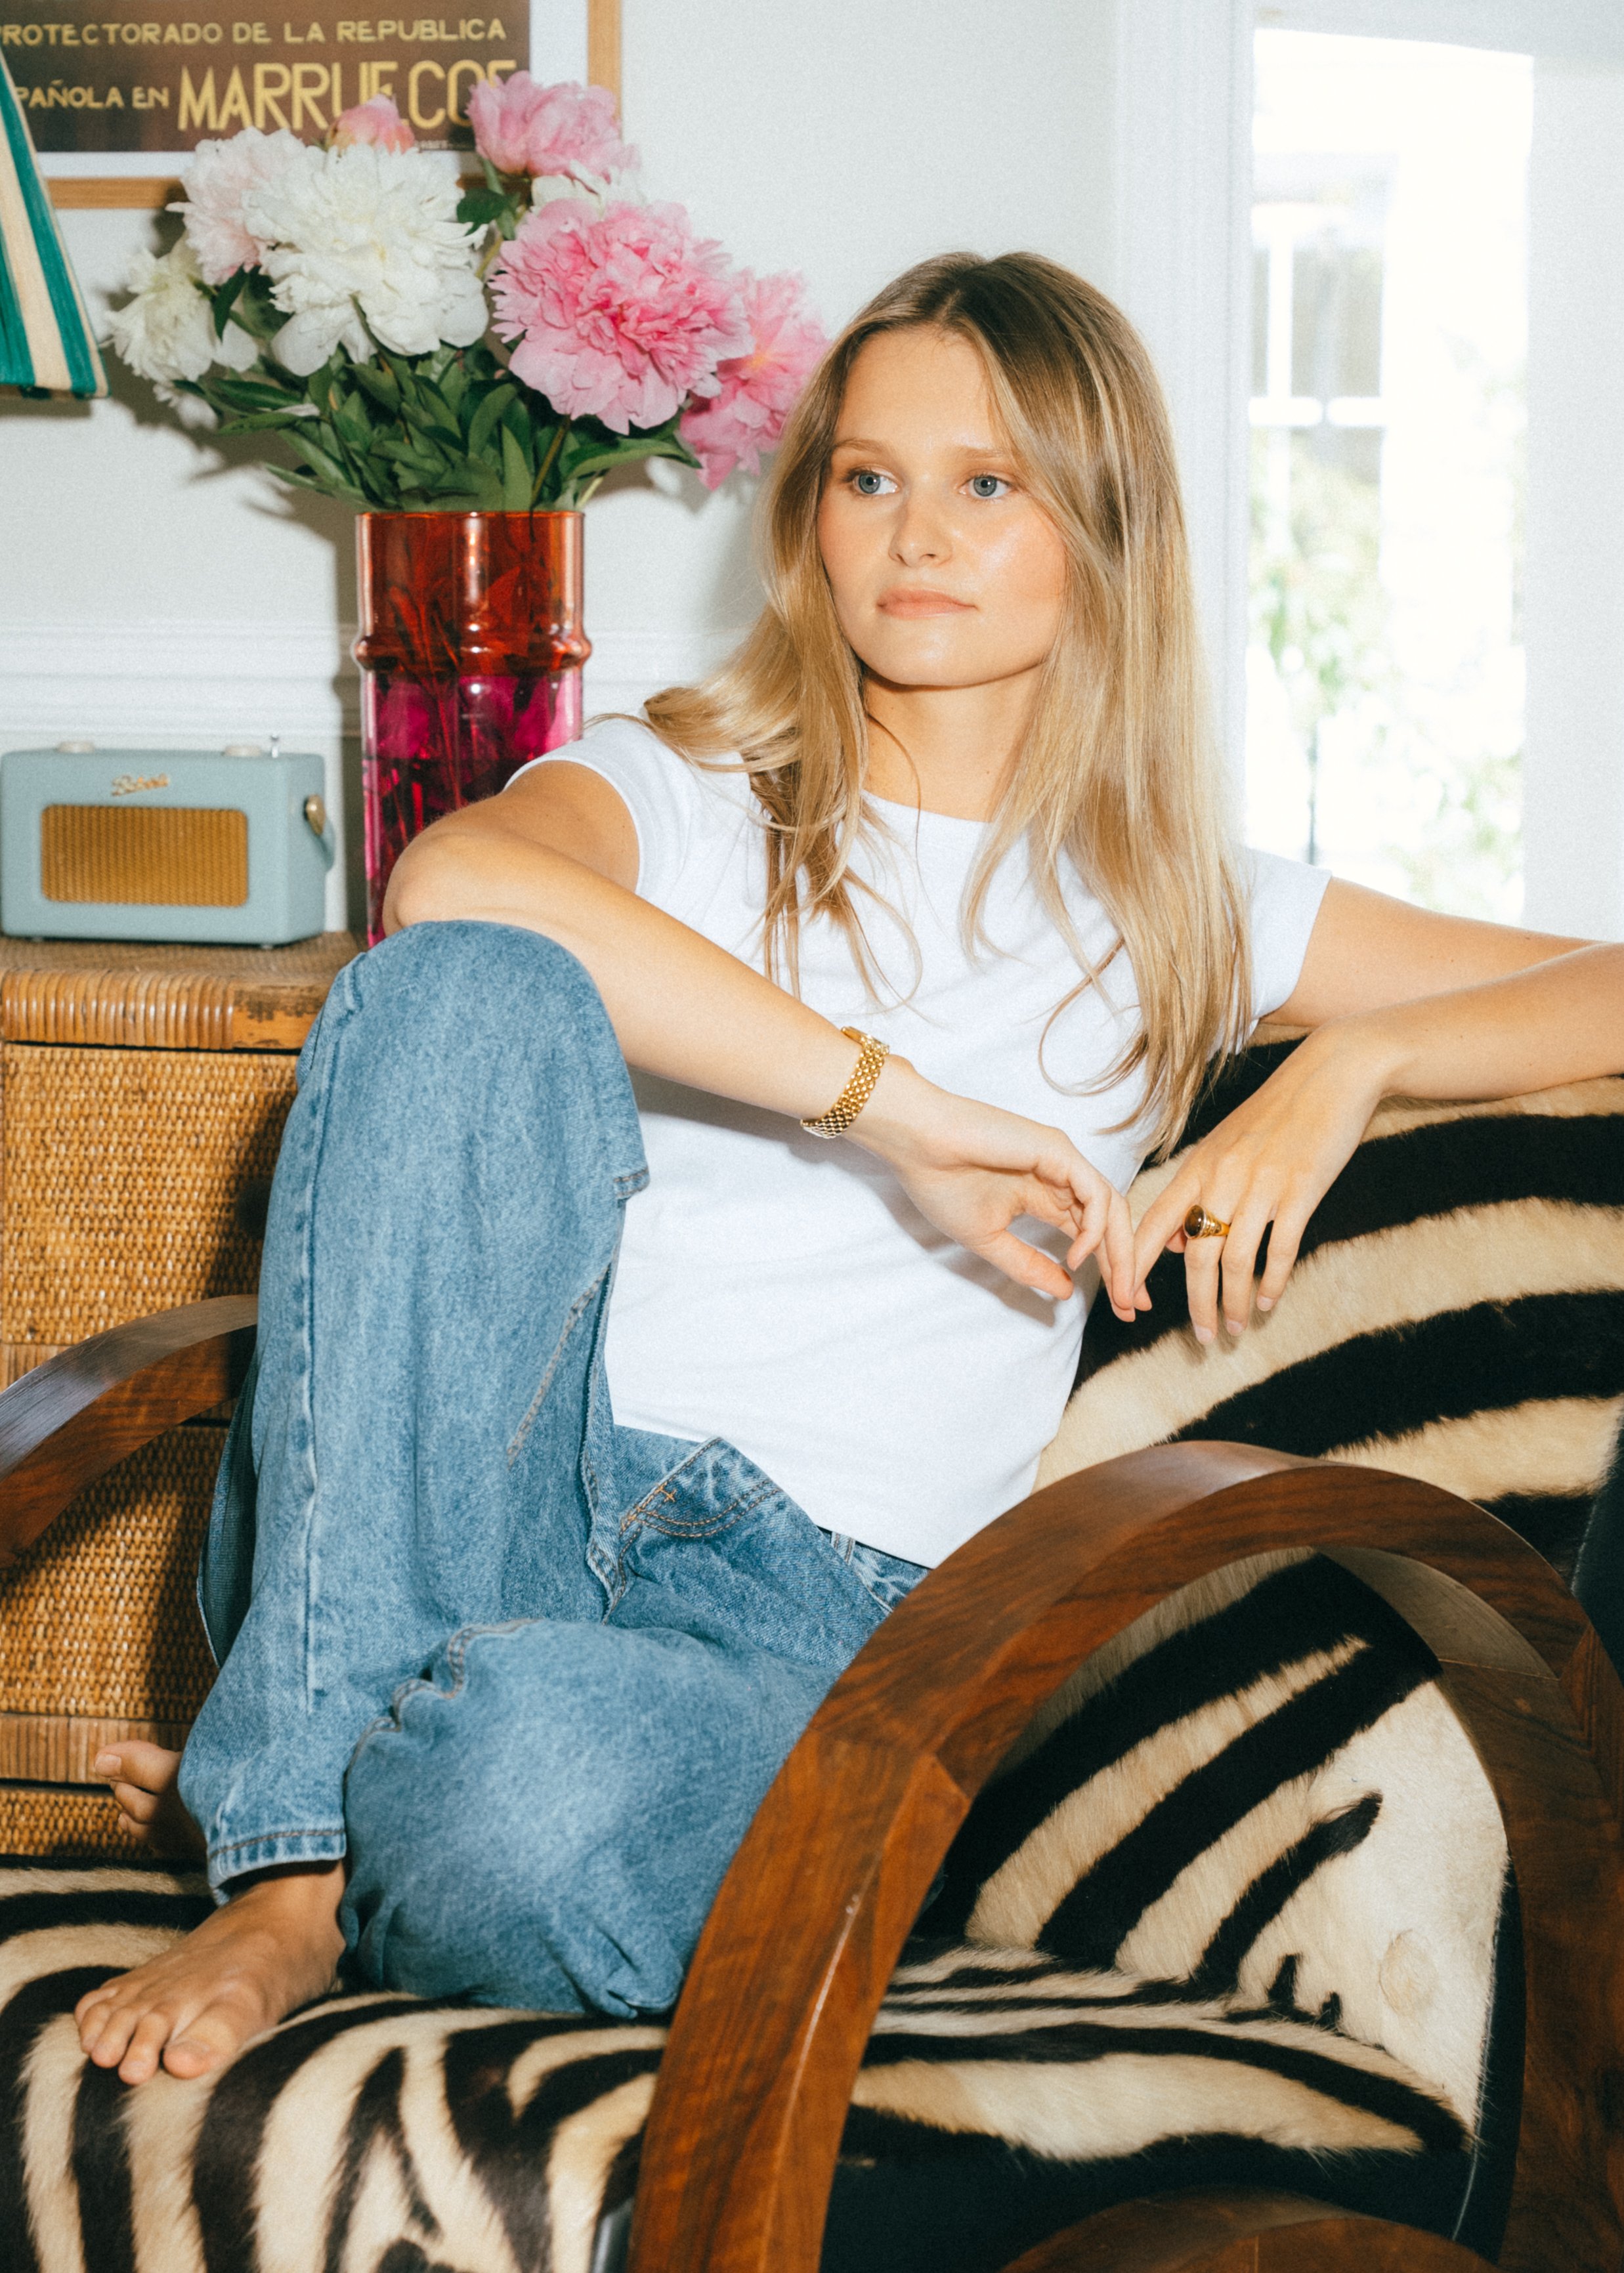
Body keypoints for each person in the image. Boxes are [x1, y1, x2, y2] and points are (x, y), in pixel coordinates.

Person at [77, 251, 1624, 2087]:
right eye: (868, 476)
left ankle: (342, 1765)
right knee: (459, 989)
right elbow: (452, 885)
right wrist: (893, 1111)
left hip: (812, 1622)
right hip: (496, 1501)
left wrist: (1357, 1062)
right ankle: (301, 1858)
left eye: (989, 483)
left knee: (526, 1785)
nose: (916, 534)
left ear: (1102, 530)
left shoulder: (1181, 908)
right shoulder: (681, 787)